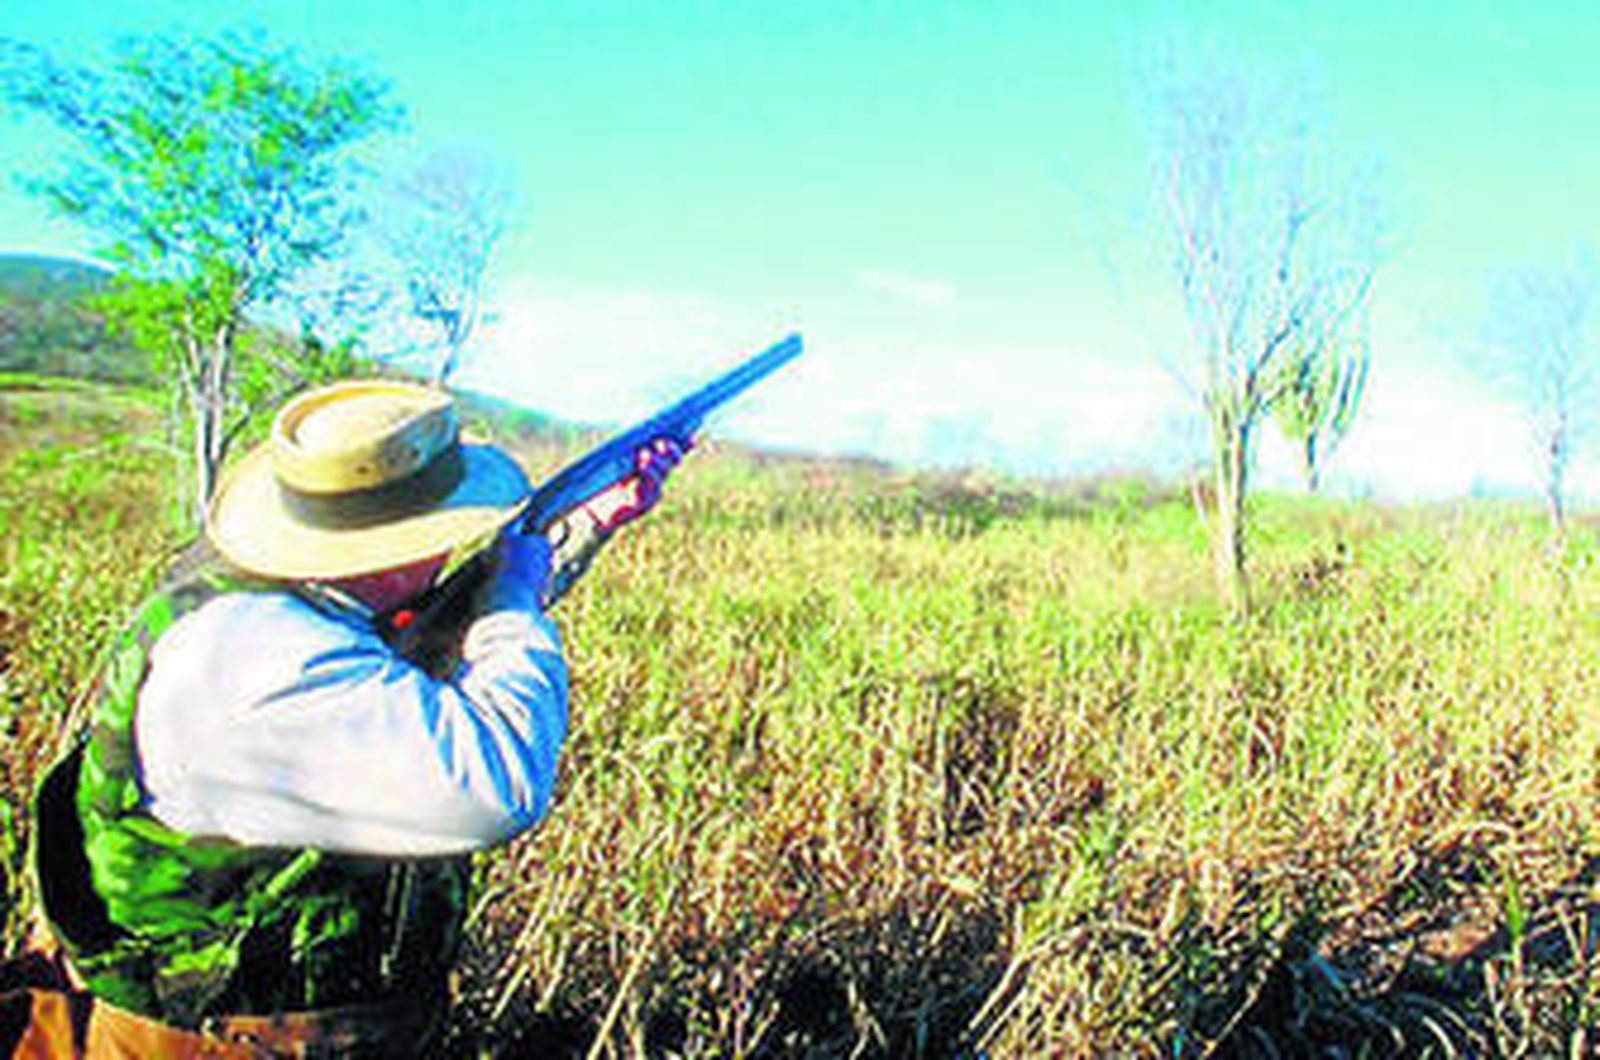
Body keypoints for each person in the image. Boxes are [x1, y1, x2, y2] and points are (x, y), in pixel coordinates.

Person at [1, 378, 685, 1057]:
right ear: (393, 550)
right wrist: (512, 596)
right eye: (444, 529)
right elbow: (497, 781)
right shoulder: (264, 658)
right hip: (212, 1042)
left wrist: (586, 523)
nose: (450, 547)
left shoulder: (271, 598)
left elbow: (423, 639)